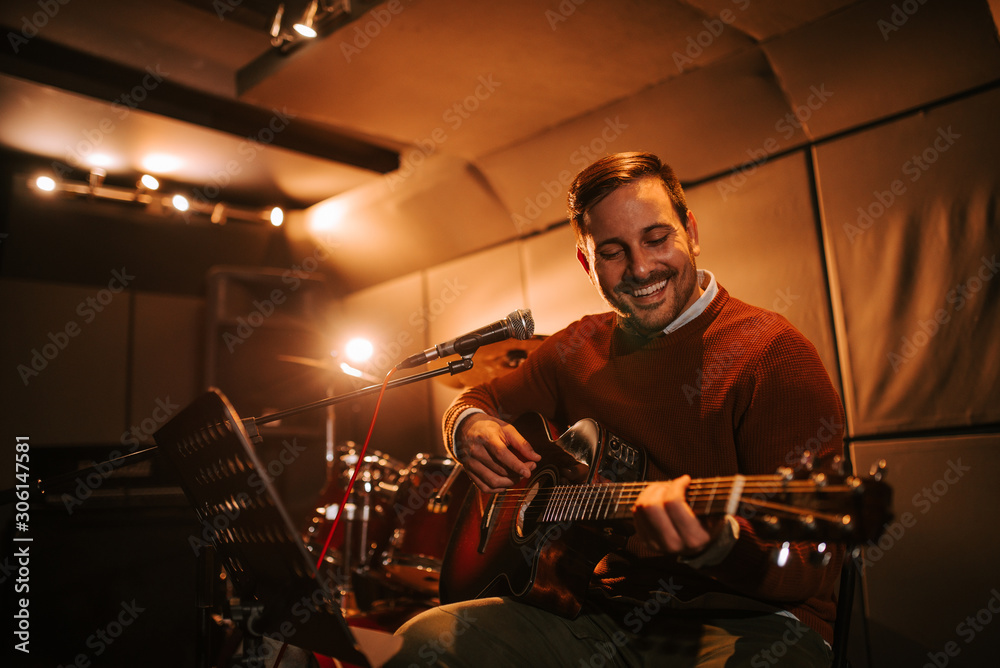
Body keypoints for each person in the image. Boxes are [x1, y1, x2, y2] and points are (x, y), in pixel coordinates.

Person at [384, 152, 844, 667]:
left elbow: (811, 561)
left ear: (691, 231)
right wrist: (466, 425)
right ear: (587, 262)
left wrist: (719, 546)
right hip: (599, 616)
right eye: (612, 251)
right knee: (423, 643)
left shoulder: (772, 352)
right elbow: (478, 399)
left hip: (746, 619)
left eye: (656, 238)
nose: (642, 268)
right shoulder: (575, 348)